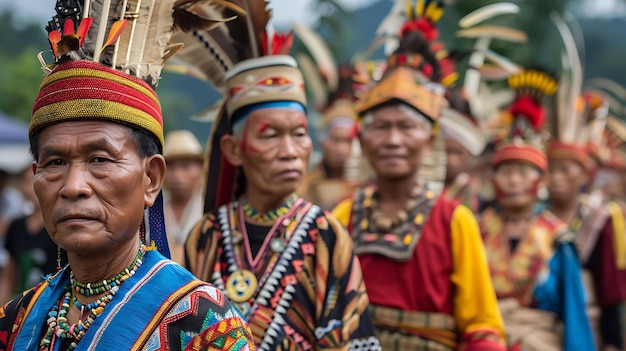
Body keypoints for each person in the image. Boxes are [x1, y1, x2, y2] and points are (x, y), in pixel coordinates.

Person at [0, 3, 255, 350]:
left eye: (100, 159)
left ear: (151, 178)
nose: (74, 186)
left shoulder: (203, 325)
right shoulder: (15, 321)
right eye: (55, 162)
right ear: (35, 175)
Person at [180, 7, 380, 349]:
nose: (290, 150)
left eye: (300, 134)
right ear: (234, 149)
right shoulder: (205, 237)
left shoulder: (326, 235)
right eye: (270, 135)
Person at [332, 3, 506, 350]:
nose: (393, 140)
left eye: (407, 127)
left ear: (429, 140)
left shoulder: (455, 221)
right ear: (363, 141)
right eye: (381, 127)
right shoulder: (341, 218)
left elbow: (482, 329)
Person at [478, 68, 595, 350]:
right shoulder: (477, 228)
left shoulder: (557, 238)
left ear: (540, 181)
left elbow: (573, 313)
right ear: (493, 180)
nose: (514, 181)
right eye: (506, 172)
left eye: (524, 172)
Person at [0, 166, 68, 304]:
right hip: (21, 303)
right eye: (26, 182)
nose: (32, 188)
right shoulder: (17, 226)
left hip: (54, 305)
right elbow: (9, 274)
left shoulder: (62, 224)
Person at [298, 99, 356, 210]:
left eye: (348, 141)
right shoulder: (306, 184)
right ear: (323, 141)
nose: (341, 149)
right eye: (336, 140)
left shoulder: (365, 186)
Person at [439, 90, 486, 214]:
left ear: (469, 154)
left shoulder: (471, 190)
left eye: (458, 153)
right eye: (444, 151)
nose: (450, 161)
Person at [163, 130, 204, 265]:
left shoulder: (208, 208)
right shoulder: (149, 211)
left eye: (186, 166)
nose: (177, 176)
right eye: (170, 167)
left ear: (201, 168)